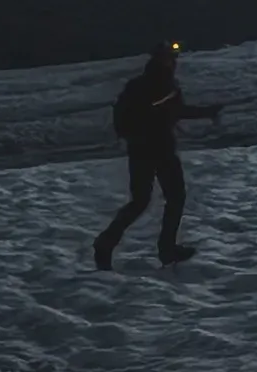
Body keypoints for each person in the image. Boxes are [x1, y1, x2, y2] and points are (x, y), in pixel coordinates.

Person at [94, 42, 222, 268]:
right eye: (171, 57)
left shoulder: (146, 84)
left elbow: (175, 111)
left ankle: (107, 243)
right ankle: (165, 249)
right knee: (172, 197)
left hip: (142, 149)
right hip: (158, 149)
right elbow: (174, 111)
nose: (174, 61)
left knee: (142, 200)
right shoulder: (161, 84)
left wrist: (205, 112)